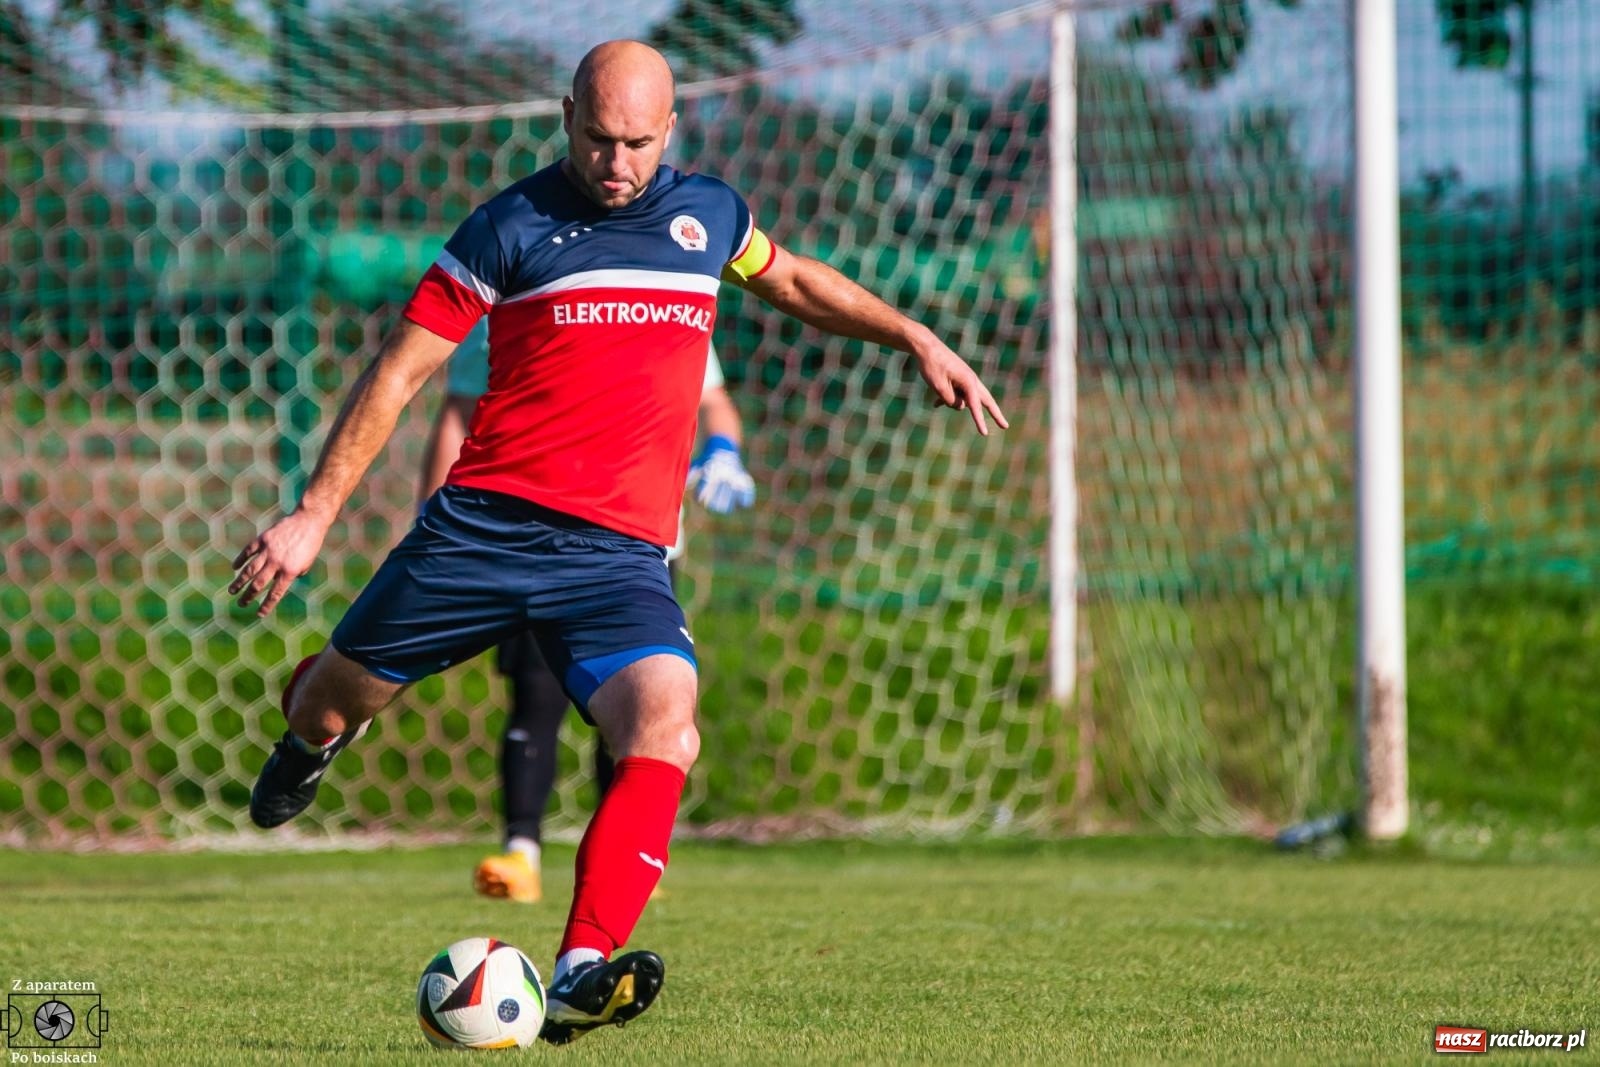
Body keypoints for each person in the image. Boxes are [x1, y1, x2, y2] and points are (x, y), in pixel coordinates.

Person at [229, 39, 1005, 1046]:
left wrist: (912, 334)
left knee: (666, 723)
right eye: (598, 138)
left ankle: (580, 966)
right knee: (329, 706)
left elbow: (799, 282)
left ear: (670, 129)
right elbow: (399, 371)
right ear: (565, 118)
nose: (617, 162)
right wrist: (315, 512)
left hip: (617, 559)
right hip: (479, 534)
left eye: (638, 141)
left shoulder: (710, 215)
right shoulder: (507, 225)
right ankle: (310, 727)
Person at [417, 319, 753, 905]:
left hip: (638, 549)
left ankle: (625, 857)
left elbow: (714, 401)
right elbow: (458, 412)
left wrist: (723, 451)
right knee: (535, 694)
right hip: (530, 540)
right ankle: (521, 853)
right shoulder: (512, 307)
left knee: (638, 707)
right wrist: (430, 517)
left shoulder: (676, 297)